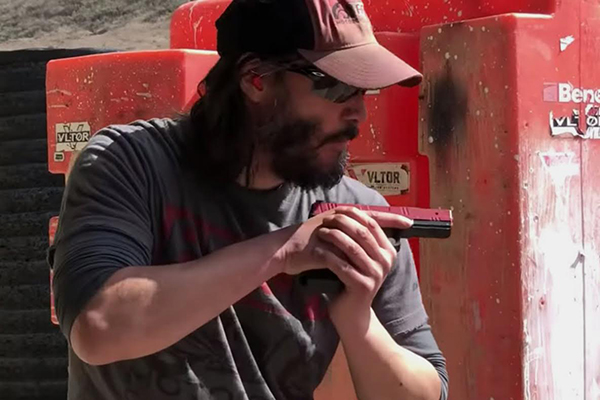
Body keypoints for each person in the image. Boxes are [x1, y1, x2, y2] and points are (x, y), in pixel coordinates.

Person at [48, 0, 449, 399]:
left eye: (365, 89)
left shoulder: (352, 210)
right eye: (338, 87)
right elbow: (98, 326)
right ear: (255, 78)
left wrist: (358, 318)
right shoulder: (132, 163)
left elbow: (425, 392)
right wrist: (284, 251)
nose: (358, 113)